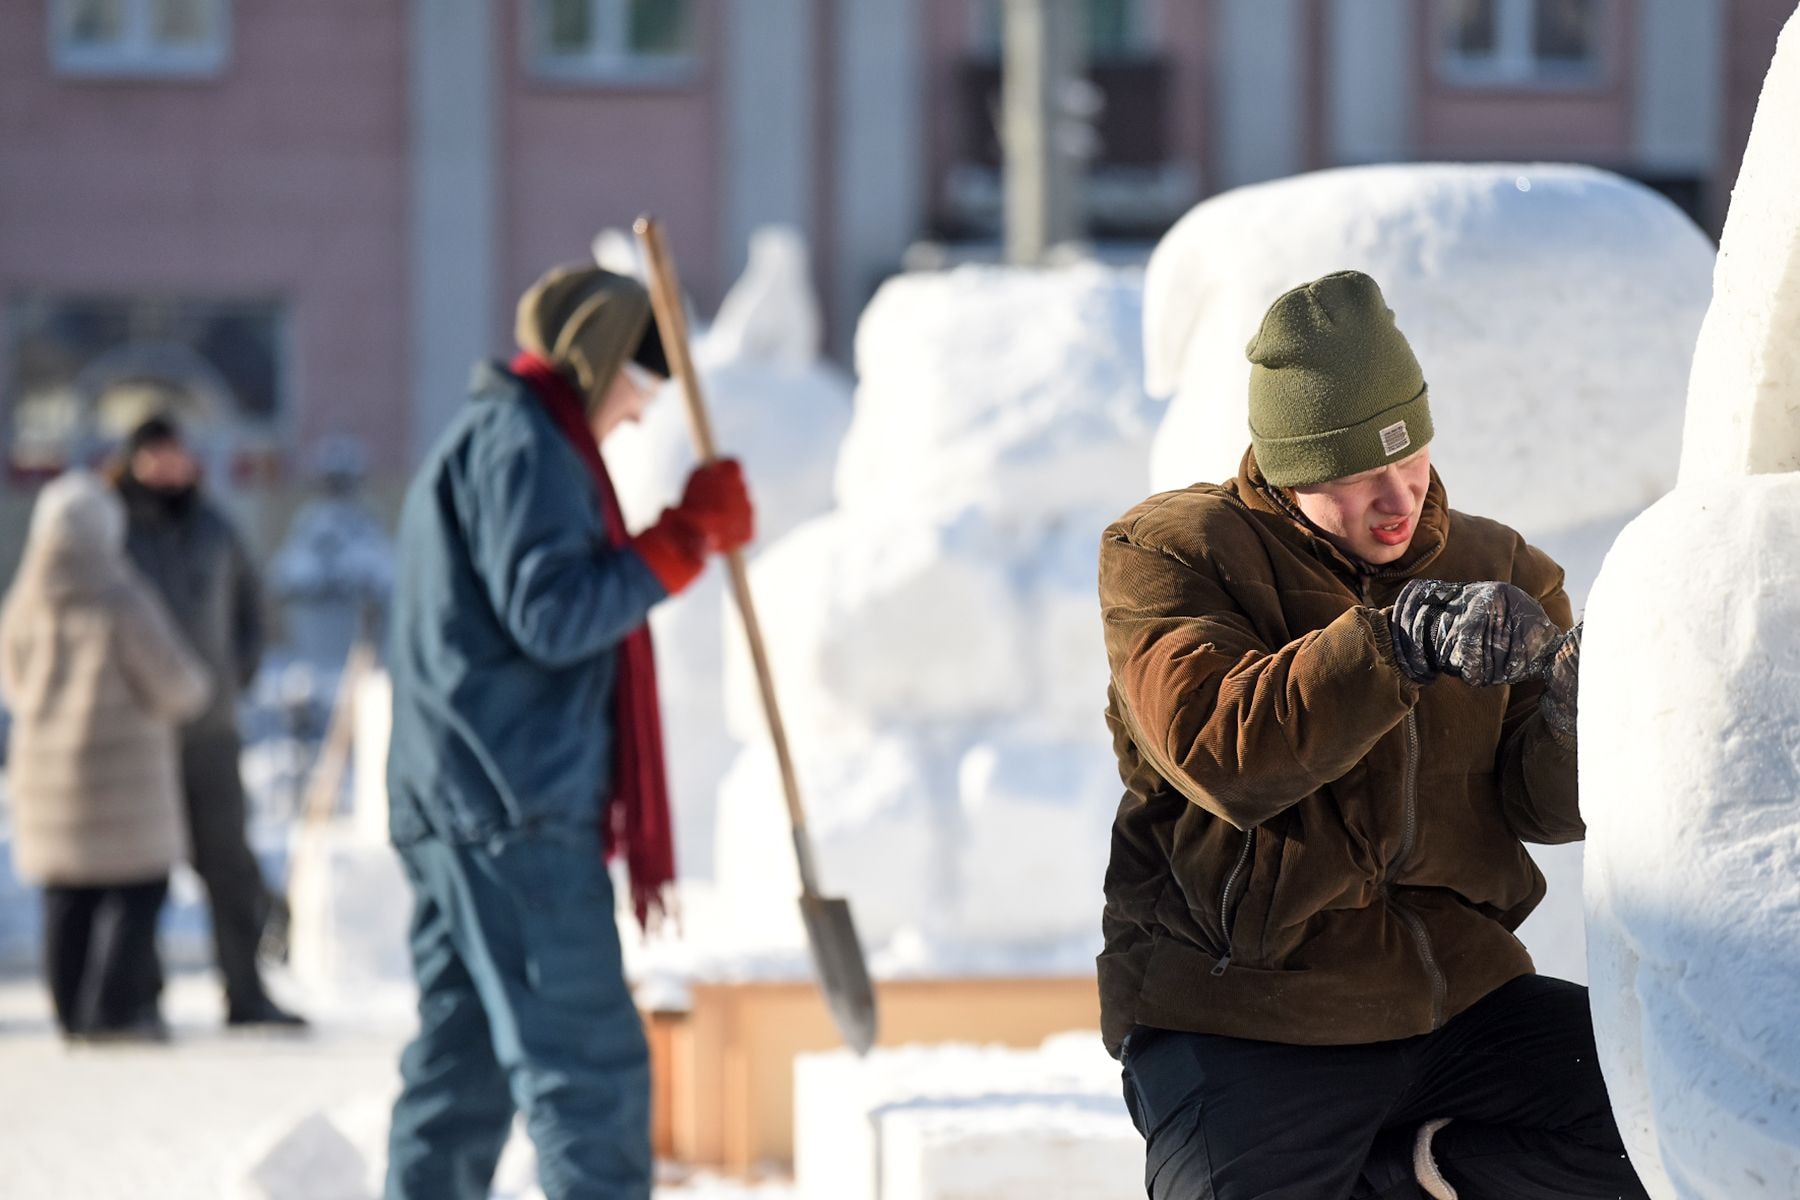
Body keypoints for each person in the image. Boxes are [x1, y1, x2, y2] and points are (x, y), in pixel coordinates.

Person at [1098, 270, 1641, 1199]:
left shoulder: (1502, 564)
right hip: (1250, 1013)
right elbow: (1223, 754)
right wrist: (1394, 641)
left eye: (1413, 460)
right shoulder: (1173, 556)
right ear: (1289, 467)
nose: (1398, 502)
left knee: (1667, 1120)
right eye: (1356, 477)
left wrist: (1578, 715)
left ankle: (1405, 1177)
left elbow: (1541, 809)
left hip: (1462, 997)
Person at [384, 263, 754, 1200]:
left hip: (464, 803)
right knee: (589, 1074)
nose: (636, 416)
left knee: (459, 1080)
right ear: (597, 363)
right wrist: (681, 541)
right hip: (518, 811)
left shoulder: (489, 438)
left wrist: (678, 538)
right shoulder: (526, 446)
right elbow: (550, 615)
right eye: (639, 387)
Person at [1, 472, 212, 1043]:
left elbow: (11, 681)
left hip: (49, 780)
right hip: (126, 783)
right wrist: (199, 691)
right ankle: (115, 1013)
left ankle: (70, 1012)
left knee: (66, 896)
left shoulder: (25, 601)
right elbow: (174, 683)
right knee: (135, 891)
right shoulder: (121, 598)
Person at [115, 414, 304, 1029]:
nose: (167, 465)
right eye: (154, 454)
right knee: (140, 873)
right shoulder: (113, 528)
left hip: (212, 733)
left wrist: (236, 676)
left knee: (229, 865)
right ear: (135, 460)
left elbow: (254, 608)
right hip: (138, 735)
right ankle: (139, 998)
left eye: (175, 451)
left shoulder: (217, 529)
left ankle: (246, 993)